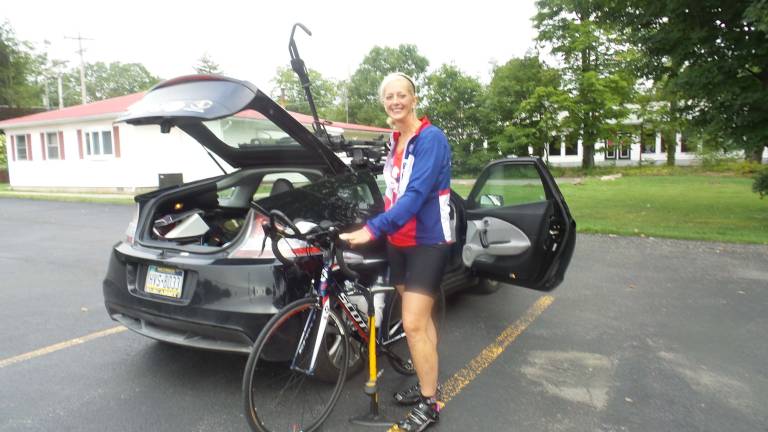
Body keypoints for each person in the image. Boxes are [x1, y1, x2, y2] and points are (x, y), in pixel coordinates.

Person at [340, 72, 452, 432]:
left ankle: (429, 403)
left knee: (414, 324)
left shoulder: (429, 138)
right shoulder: (395, 140)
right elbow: (392, 192)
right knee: (420, 324)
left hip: (426, 242)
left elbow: (416, 196)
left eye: (402, 94)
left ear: (414, 98)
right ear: (384, 102)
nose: (395, 101)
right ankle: (426, 386)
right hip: (399, 244)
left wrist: (373, 228)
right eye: (389, 96)